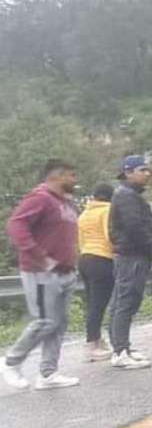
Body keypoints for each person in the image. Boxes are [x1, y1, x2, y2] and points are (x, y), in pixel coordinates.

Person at [2, 160, 81, 390]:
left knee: (59, 324)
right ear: (57, 176)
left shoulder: (65, 203)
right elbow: (16, 226)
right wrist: (40, 257)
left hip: (65, 272)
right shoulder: (40, 198)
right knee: (45, 321)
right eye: (71, 175)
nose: (75, 180)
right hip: (41, 272)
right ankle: (11, 362)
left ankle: (48, 373)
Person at [108, 155, 152, 370]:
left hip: (130, 254)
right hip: (133, 255)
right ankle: (121, 350)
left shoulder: (127, 194)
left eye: (148, 169)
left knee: (122, 300)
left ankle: (121, 347)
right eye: (142, 170)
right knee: (126, 301)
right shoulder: (127, 196)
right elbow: (135, 227)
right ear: (128, 172)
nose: (147, 173)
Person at [78, 183, 116, 362]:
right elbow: (109, 235)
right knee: (99, 304)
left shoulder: (85, 212)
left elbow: (81, 239)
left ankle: (97, 339)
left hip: (85, 258)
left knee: (91, 302)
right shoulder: (107, 210)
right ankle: (91, 344)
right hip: (102, 259)